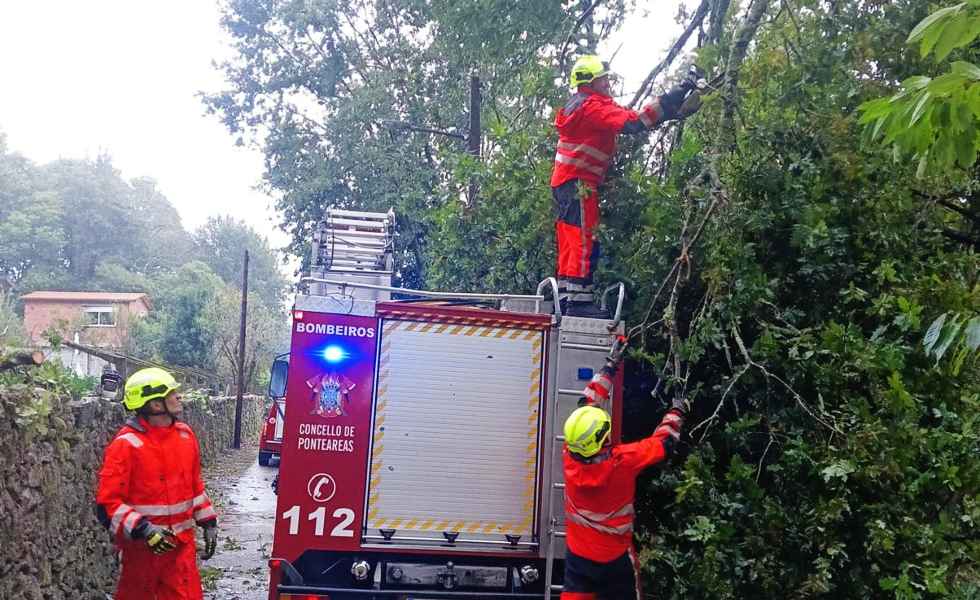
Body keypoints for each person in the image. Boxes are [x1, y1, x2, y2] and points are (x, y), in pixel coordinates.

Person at [552, 55, 699, 318]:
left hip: (565, 182)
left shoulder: (578, 105)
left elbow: (628, 117)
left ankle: (565, 299)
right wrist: (676, 93)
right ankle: (578, 304)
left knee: (570, 239)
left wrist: (666, 109)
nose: (608, 82)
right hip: (579, 182)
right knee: (584, 241)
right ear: (591, 81)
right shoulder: (593, 108)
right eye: (603, 78)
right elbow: (633, 122)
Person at [561, 338, 688, 600]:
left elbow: (588, 404)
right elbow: (664, 444)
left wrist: (610, 366)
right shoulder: (623, 462)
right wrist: (677, 411)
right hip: (613, 560)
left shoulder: (570, 454)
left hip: (577, 556)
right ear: (599, 440)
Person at [95, 367, 218, 600]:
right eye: (172, 393)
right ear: (155, 404)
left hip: (181, 554)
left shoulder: (185, 436)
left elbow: (194, 488)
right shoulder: (126, 445)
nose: (179, 396)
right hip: (141, 555)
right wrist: (145, 529)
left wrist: (208, 521)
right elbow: (108, 505)